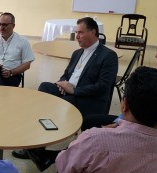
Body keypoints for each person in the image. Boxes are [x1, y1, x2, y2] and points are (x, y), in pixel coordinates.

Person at [12, 17, 118, 159]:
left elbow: (103, 87)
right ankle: (37, 144)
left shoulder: (108, 56)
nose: (77, 36)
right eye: (76, 32)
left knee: (56, 105)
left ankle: (37, 147)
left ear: (93, 32)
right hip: (69, 91)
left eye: (80, 32)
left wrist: (74, 90)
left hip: (88, 98)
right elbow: (66, 75)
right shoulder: (77, 53)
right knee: (44, 88)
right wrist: (61, 83)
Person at [82, 36, 157, 142]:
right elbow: (141, 109)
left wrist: (116, 129)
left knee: (94, 136)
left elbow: (155, 128)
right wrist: (117, 123)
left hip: (152, 142)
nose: (156, 55)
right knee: (90, 121)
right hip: (140, 125)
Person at [0, 12, 35, 87]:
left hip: (13, 75)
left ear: (13, 26)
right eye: (0, 24)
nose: (1, 27)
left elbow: (27, 64)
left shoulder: (23, 41)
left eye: (5, 25)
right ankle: (0, 95)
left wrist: (11, 72)